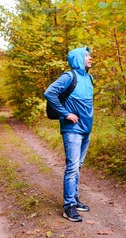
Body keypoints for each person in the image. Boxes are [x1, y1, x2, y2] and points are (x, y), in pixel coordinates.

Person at [44, 47, 93, 222]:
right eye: (86, 55)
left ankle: (74, 199)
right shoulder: (68, 76)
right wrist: (65, 114)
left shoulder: (89, 78)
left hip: (86, 129)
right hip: (72, 130)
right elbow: (49, 93)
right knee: (72, 167)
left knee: (78, 166)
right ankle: (68, 207)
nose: (90, 58)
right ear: (78, 58)